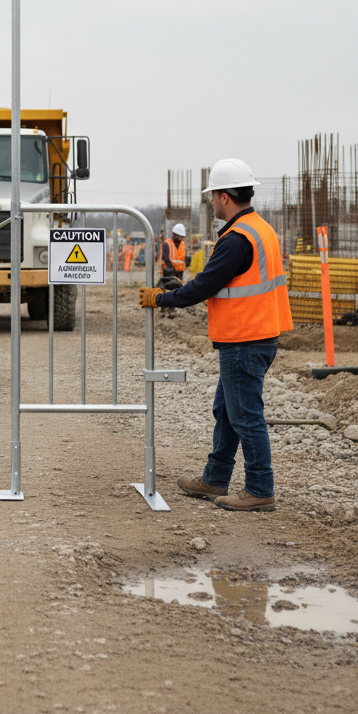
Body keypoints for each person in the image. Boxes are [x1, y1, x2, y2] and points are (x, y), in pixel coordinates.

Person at [139, 158, 292, 512]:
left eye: (213, 196)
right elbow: (227, 282)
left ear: (225, 196)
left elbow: (206, 286)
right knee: (227, 411)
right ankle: (215, 478)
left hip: (244, 339)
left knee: (244, 415)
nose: (211, 203)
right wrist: (182, 287)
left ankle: (259, 488)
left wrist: (163, 298)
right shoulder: (259, 229)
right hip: (257, 335)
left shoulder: (236, 239)